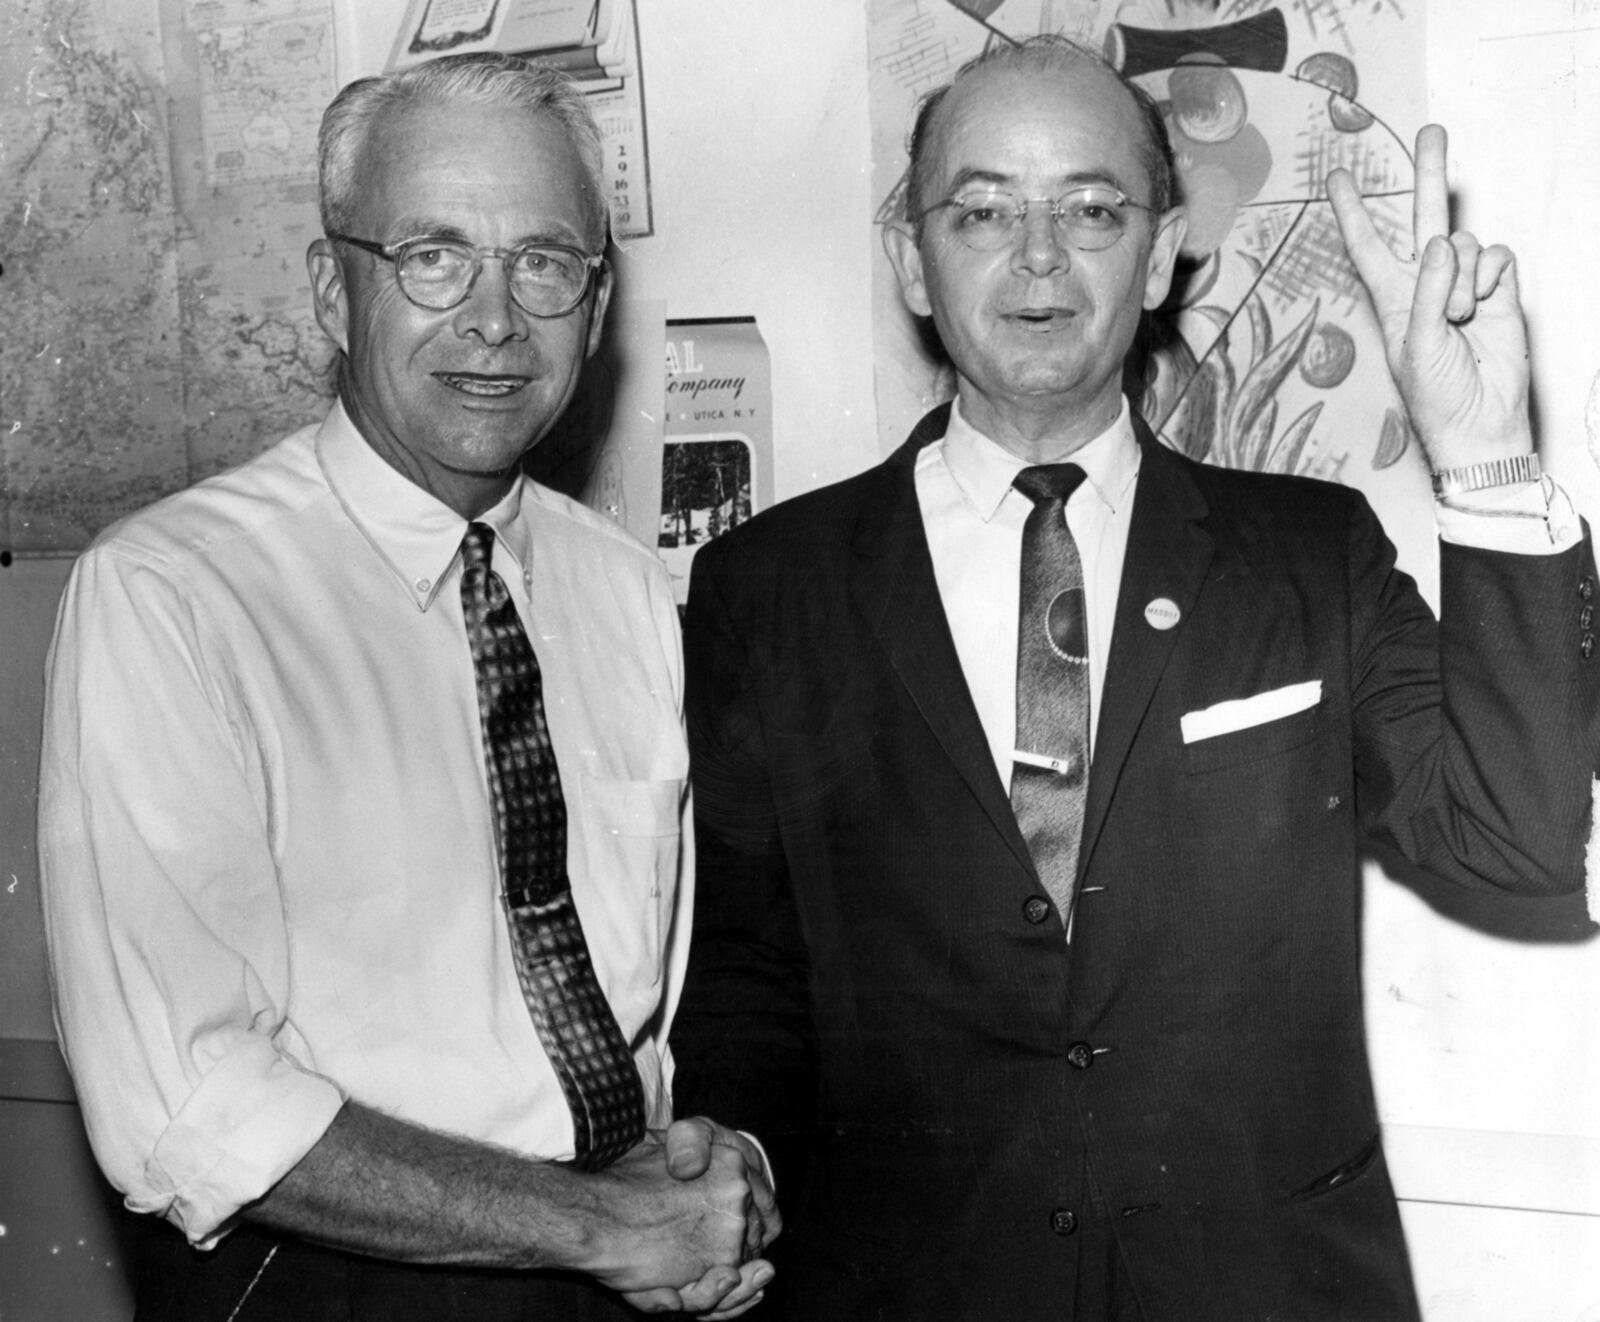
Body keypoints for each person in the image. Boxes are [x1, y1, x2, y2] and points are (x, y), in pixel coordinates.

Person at [670, 36, 1597, 1321]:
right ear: (913, 262)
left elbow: (1518, 841)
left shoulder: (1307, 554)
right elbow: (749, 968)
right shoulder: (765, 587)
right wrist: (738, 1159)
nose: (1038, 255)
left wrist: (1485, 455)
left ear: (1159, 257)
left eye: (1092, 209)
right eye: (983, 209)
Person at [39, 53, 776, 1322]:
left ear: (595, 309)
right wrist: (598, 1226)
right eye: (433, 256)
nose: (494, 319)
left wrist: (714, 1184)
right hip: (330, 1278)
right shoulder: (173, 596)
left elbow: (664, 999)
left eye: (543, 262)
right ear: (334, 290)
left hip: (626, 1270)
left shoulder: (625, 592)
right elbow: (186, 1098)